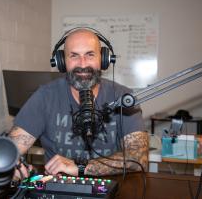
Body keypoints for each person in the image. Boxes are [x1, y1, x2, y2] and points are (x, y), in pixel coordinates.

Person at [8, 28, 148, 178]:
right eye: (74, 56)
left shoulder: (123, 97)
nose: (82, 64)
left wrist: (82, 168)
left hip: (113, 188)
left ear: (103, 59)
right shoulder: (45, 97)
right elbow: (9, 152)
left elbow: (139, 159)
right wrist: (12, 168)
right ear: (62, 62)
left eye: (90, 55)